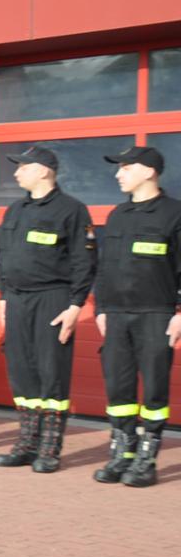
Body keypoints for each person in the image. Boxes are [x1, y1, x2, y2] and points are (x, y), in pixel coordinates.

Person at [0, 147, 94, 473]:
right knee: (21, 371)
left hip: (53, 298)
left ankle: (49, 447)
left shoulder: (72, 210)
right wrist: (3, 297)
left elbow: (84, 261)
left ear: (44, 170)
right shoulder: (15, 211)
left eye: (23, 167)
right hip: (17, 299)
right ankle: (27, 442)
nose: (16, 173)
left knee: (51, 371)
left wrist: (75, 305)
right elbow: (5, 258)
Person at [92, 146, 181, 488]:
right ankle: (123, 452)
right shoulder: (117, 215)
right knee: (118, 386)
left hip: (156, 314)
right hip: (116, 315)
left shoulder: (174, 214)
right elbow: (104, 267)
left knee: (155, 388)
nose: (118, 174)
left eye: (126, 168)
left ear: (148, 171)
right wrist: (101, 308)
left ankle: (147, 458)